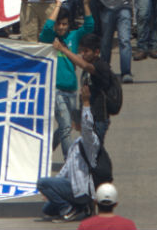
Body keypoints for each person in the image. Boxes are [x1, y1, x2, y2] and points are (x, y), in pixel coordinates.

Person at [39, 0, 95, 158]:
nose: (62, 27)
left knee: (67, 126)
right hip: (55, 90)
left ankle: (43, 153)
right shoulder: (50, 39)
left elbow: (89, 26)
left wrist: (85, 4)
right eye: (59, 24)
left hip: (71, 89)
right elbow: (47, 27)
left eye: (64, 24)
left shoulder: (73, 37)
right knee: (65, 126)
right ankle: (69, 161)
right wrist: (57, 5)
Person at [36, 85, 102, 222]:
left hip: (82, 189)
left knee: (42, 183)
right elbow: (65, 170)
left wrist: (85, 102)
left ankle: (69, 210)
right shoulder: (76, 145)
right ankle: (81, 207)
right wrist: (53, 186)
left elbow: (87, 127)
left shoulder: (91, 141)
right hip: (73, 187)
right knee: (47, 209)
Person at [53, 33, 114, 144]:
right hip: (87, 118)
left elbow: (84, 66)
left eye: (86, 51)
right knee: (67, 127)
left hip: (98, 119)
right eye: (81, 51)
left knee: (94, 154)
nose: (82, 54)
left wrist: (64, 50)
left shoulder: (101, 66)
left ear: (96, 52)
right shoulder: (88, 67)